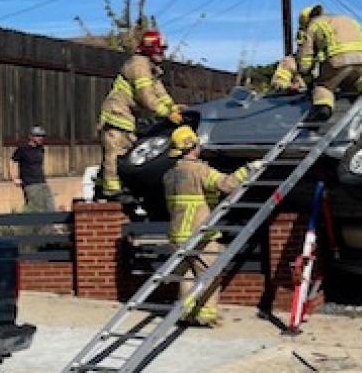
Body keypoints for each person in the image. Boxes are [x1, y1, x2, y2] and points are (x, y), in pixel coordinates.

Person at [163, 125, 263, 326]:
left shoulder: (170, 174)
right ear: (193, 146)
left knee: (187, 274)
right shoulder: (199, 170)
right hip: (200, 234)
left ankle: (186, 311)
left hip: (177, 234)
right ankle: (206, 315)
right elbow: (226, 184)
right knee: (210, 273)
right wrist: (248, 170)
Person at [98, 30, 184, 199]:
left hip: (127, 117)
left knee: (126, 154)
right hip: (116, 114)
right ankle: (111, 192)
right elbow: (146, 97)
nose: (163, 54)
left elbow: (160, 93)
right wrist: (167, 113)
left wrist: (173, 107)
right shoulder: (138, 66)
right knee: (115, 153)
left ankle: (110, 187)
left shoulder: (151, 68)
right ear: (151, 49)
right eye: (160, 50)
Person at [296, 4, 362, 121]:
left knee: (324, 86)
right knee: (351, 81)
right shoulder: (346, 19)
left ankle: (323, 108)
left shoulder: (313, 25)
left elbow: (306, 55)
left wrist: (304, 71)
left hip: (338, 60)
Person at [9, 126, 55, 213]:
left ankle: (49, 226)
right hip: (30, 184)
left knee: (50, 207)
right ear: (31, 137)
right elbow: (12, 161)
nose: (40, 138)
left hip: (42, 182)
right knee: (37, 209)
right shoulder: (23, 149)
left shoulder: (41, 149)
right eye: (38, 136)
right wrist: (14, 178)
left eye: (42, 136)